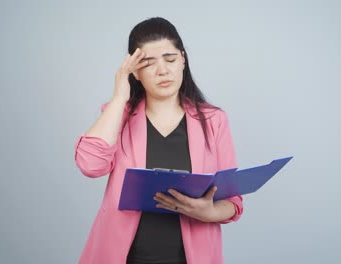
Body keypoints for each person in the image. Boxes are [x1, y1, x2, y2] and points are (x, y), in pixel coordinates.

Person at [74, 17, 243, 264]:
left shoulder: (214, 120)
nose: (162, 70)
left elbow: (233, 201)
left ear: (183, 59)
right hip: (123, 257)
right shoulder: (118, 116)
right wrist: (120, 97)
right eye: (148, 63)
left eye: (170, 59)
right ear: (136, 73)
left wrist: (209, 212)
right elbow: (90, 165)